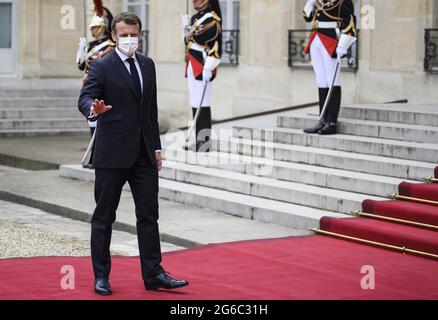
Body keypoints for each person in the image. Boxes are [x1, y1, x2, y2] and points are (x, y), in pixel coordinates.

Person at [78, 12, 189, 296]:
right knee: (104, 216)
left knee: (149, 215)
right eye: (123, 34)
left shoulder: (147, 65)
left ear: (140, 35)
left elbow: (149, 110)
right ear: (114, 36)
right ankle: (101, 276)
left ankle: (153, 274)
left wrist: (156, 148)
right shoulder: (102, 66)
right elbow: (85, 98)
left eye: (133, 34)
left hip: (143, 155)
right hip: (111, 153)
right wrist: (95, 109)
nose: (129, 39)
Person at [302, 0, 357, 135]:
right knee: (321, 81)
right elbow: (308, 17)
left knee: (332, 80)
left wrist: (343, 45)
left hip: (330, 41)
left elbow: (350, 21)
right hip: (316, 39)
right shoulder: (320, 2)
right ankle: (322, 120)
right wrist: (310, 3)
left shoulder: (343, 2)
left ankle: (331, 122)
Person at [76, 1, 115, 169]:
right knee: (91, 119)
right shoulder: (91, 46)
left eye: (95, 27)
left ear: (102, 28)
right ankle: (94, 155)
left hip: (100, 84)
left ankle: (97, 156)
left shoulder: (109, 46)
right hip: (88, 83)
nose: (92, 30)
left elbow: (101, 65)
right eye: (91, 28)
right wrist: (81, 51)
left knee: (97, 121)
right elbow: (80, 66)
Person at [181, 0, 222, 152]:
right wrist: (184, 27)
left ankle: (204, 141)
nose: (194, 2)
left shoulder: (212, 19)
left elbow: (217, 46)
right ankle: (198, 138)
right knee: (195, 101)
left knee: (203, 102)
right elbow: (187, 41)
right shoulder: (194, 19)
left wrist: (209, 66)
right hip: (192, 60)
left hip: (203, 62)